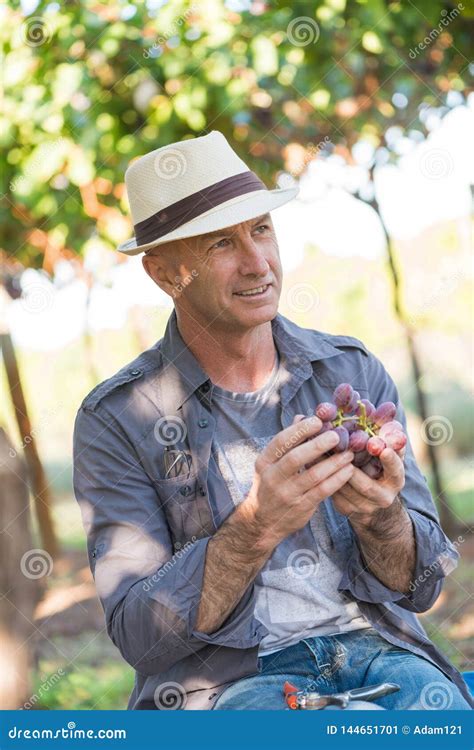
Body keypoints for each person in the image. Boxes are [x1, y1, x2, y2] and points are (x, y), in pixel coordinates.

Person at [73, 131, 472, 711]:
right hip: (231, 685)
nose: (258, 262)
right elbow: (141, 635)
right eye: (220, 245)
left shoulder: (349, 370)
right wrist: (257, 524)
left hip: (377, 649)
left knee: (443, 717)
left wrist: (383, 518)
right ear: (164, 274)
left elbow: (424, 586)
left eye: (261, 229)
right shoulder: (115, 419)